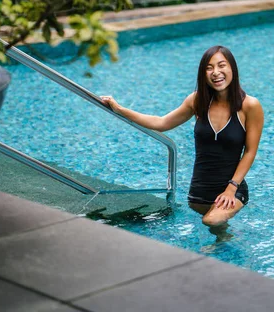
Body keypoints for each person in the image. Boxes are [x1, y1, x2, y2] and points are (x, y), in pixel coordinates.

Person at [101, 45, 264, 228]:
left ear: (232, 68)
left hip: (231, 191)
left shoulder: (250, 106)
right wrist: (119, 109)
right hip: (198, 193)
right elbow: (161, 123)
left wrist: (231, 189)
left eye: (221, 65)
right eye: (209, 68)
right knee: (218, 231)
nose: (216, 72)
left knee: (211, 221)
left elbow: (250, 151)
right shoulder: (197, 101)